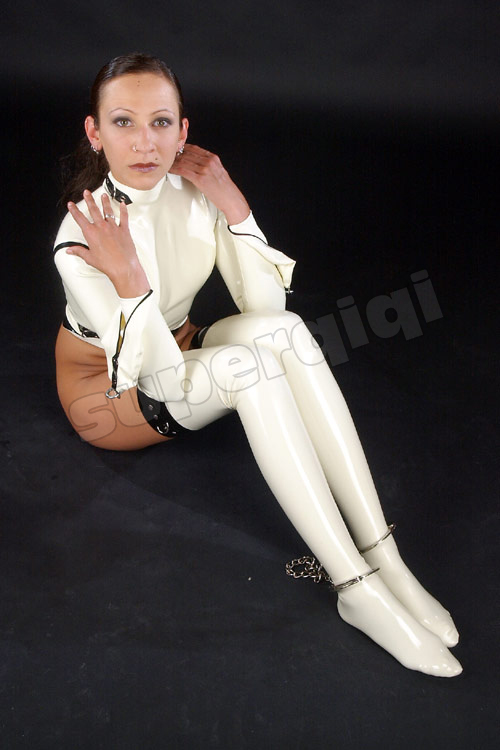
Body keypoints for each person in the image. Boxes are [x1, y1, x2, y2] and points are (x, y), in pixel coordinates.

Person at [53, 53, 461, 677]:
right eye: (123, 122)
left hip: (180, 343)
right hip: (109, 394)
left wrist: (234, 206)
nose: (144, 142)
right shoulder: (81, 238)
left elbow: (267, 310)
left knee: (288, 335)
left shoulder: (193, 195)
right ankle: (355, 587)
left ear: (183, 131)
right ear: (95, 132)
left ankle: (386, 558)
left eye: (160, 122)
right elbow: (160, 379)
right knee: (248, 370)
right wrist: (129, 275)